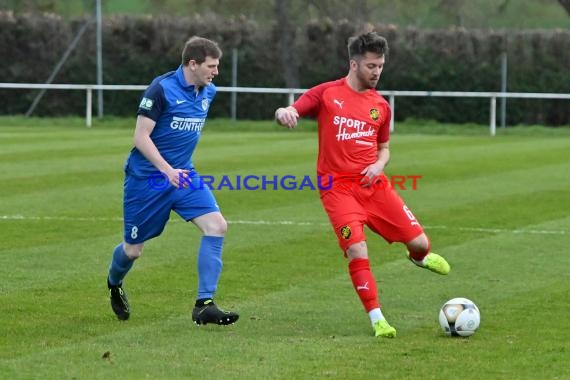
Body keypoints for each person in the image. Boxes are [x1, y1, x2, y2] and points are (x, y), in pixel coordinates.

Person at [274, 31, 450, 338]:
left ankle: (417, 258)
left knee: (421, 243)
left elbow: (384, 148)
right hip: (337, 190)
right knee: (357, 248)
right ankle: (377, 318)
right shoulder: (328, 93)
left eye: (381, 65)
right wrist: (285, 112)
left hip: (375, 187)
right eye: (371, 65)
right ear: (354, 64)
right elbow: (294, 108)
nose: (377, 71)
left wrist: (379, 164)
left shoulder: (380, 106)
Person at [106, 36, 239, 326]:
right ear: (193, 64)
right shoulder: (161, 89)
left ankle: (204, 305)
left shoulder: (208, 92)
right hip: (148, 179)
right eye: (211, 66)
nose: (216, 72)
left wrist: (176, 170)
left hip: (184, 175)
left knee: (217, 226)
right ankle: (114, 284)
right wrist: (166, 170)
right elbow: (140, 137)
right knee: (133, 250)